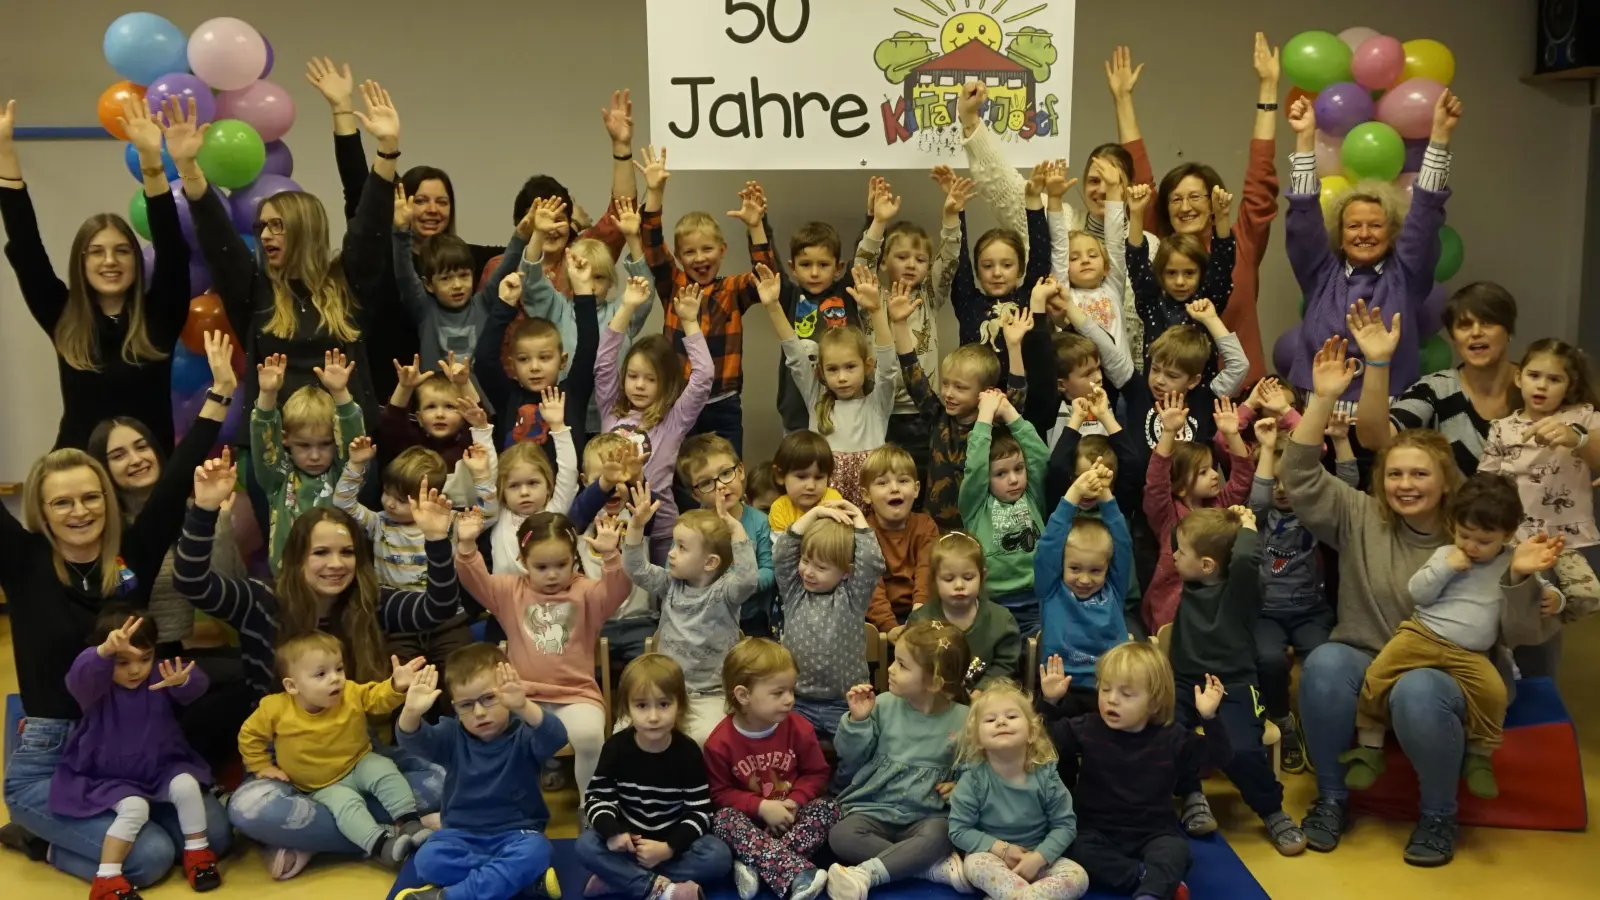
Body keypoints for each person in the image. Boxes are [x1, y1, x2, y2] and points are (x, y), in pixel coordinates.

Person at [1281, 336, 1552, 867]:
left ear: (1446, 480)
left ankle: (1438, 814)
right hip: (1368, 655)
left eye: (1419, 473)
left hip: (1452, 673)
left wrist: (1525, 586)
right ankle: (1333, 799)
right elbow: (1301, 477)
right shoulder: (1360, 516)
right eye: (1395, 474)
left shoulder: (1481, 535)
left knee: (1418, 689)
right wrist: (1321, 398)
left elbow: (1523, 634)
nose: (1406, 485)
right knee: (1325, 664)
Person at [174, 453, 460, 878]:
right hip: (288, 763)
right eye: (321, 552)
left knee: (440, 782)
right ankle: (390, 835)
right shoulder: (260, 600)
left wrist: (436, 540)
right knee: (248, 810)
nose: (335, 563)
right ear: (296, 557)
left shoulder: (368, 603)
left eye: (346, 552)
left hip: (357, 752)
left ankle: (313, 837)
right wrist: (204, 510)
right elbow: (192, 582)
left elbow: (437, 608)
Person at [3, 441, 233, 890]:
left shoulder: (131, 553)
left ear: (108, 499)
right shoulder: (22, 560)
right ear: (43, 512)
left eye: (91, 497)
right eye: (62, 502)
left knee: (216, 836)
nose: (79, 511)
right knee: (147, 859)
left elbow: (170, 490)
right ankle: (36, 838)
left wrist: (221, 393)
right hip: (53, 759)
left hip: (131, 754)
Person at [174, 85, 394, 421]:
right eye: (262, 227)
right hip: (275, 450)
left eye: (277, 225)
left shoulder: (346, 283)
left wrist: (387, 149)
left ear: (305, 229)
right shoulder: (256, 291)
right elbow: (219, 241)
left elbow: (370, 227)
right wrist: (188, 165)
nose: (265, 235)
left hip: (351, 448)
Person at [1342, 473, 1556, 803]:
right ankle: (1370, 747)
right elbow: (1418, 593)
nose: (1471, 546)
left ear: (1508, 534)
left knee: (1494, 693)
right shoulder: (1446, 554)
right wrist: (1446, 568)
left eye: (1483, 541)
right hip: (1422, 634)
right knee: (1378, 675)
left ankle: (1479, 757)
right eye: (1464, 535)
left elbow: (1541, 593)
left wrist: (1555, 598)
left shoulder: (1515, 563)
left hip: (1471, 652)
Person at [0, 96, 188, 453]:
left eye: (121, 251)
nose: (109, 262)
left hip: (150, 477)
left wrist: (151, 161)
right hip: (79, 478)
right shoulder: (63, 316)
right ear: (81, 263)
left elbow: (173, 249)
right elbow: (27, 251)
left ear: (136, 260)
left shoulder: (160, 313)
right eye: (97, 252)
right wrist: (5, 155)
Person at [1111, 36, 1284, 380]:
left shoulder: (1240, 242)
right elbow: (1140, 178)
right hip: (1171, 393)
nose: (1185, 206)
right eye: (1176, 198)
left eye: (1195, 197)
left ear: (1213, 200)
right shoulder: (1161, 248)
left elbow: (1260, 180)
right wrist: (1123, 100)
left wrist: (1268, 88)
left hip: (1243, 393)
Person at [1281, 89, 1463, 399]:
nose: (1364, 233)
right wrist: (1305, 138)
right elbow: (1302, 215)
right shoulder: (1321, 273)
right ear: (1340, 233)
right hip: (1316, 409)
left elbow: (1425, 213)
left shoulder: (1406, 275)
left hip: (1388, 411)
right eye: (1353, 226)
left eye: (1375, 225)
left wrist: (1440, 136)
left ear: (1391, 232)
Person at [454, 506, 631, 800]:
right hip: (521, 696)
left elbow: (618, 590)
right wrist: (467, 545)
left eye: (562, 565)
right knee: (495, 734)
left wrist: (611, 556)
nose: (552, 575)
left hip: (576, 694)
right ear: (523, 561)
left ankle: (592, 808)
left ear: (574, 559)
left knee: (589, 738)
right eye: (541, 567)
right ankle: (508, 805)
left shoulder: (587, 592)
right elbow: (475, 580)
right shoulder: (509, 592)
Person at [86, 330, 245, 654]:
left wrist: (219, 522)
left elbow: (229, 592)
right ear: (102, 470)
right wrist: (222, 391)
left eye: (141, 446)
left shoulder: (194, 509)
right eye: (118, 455)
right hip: (123, 656)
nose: (135, 459)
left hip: (175, 652)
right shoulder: (106, 528)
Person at [1036, 644, 1230, 900]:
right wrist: (1050, 702)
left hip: (1154, 831)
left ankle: (1149, 893)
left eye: (1126, 694)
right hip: (1096, 830)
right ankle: (1144, 877)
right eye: (1105, 689)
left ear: (1154, 702)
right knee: (1071, 846)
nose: (1112, 699)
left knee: (1175, 851)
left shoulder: (1172, 737)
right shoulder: (1089, 726)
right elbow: (1038, 742)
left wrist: (1210, 718)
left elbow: (1220, 757)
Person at [1166, 507, 1306, 854]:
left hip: (1234, 685)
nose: (1173, 555)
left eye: (1181, 552)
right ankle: (1192, 793)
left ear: (1208, 565)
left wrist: (1247, 526)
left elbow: (1244, 561)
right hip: (1185, 683)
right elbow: (1198, 541)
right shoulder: (1191, 580)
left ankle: (1271, 811)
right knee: (1169, 733)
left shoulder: (1242, 593)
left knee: (1242, 749)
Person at [52, 613, 219, 900]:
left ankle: (198, 853)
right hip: (109, 777)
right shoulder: (96, 685)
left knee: (187, 785)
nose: (136, 670)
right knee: (135, 808)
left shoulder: (159, 675)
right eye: (123, 662)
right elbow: (77, 679)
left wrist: (182, 682)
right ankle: (107, 878)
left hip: (160, 768)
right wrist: (102, 653)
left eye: (145, 658)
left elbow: (195, 685)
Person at [238, 633, 433, 868]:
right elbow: (250, 735)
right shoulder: (274, 708)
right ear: (292, 686)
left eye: (339, 669)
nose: (336, 679)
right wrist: (261, 766)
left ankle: (410, 822)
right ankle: (382, 846)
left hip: (359, 761)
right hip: (322, 786)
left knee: (384, 769)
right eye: (321, 674)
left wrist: (395, 685)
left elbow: (377, 699)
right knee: (347, 806)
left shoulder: (349, 692)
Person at [394, 647, 571, 900]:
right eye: (466, 705)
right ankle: (523, 882)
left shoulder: (524, 733)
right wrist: (411, 712)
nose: (479, 712)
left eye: (489, 698)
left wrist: (524, 706)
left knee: (537, 850)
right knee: (427, 860)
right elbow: (412, 740)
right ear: (455, 707)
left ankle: (450, 896)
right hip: (460, 836)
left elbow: (556, 737)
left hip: (516, 835)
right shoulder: (450, 735)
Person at [636, 146, 776, 454]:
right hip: (679, 401)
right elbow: (652, 245)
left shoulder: (732, 289)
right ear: (680, 256)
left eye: (707, 249)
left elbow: (766, 277)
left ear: (723, 250)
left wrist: (756, 227)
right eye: (689, 252)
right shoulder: (673, 284)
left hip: (723, 402)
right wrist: (655, 192)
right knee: (682, 476)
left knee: (728, 471)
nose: (699, 258)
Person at [1474, 339, 1600, 663]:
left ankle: (1552, 628)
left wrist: (1578, 439)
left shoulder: (1583, 417)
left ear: (1569, 385)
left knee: (1573, 604)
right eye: (1534, 375)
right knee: (1520, 616)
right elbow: (1485, 481)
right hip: (1517, 540)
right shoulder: (1502, 429)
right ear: (1519, 378)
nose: (1542, 385)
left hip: (1568, 539)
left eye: (1554, 379)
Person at [825, 623, 973, 900]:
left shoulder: (966, 719)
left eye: (902, 665)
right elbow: (851, 756)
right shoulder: (882, 705)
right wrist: (858, 721)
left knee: (942, 834)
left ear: (934, 682)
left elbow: (975, 769)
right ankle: (925, 867)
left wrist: (961, 787)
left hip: (927, 815)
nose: (890, 668)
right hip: (875, 808)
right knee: (841, 835)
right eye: (894, 659)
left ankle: (868, 873)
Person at [577, 655, 734, 900]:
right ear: (627, 708)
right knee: (586, 845)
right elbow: (598, 799)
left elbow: (700, 812)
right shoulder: (616, 748)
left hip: (673, 846)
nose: (653, 717)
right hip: (629, 845)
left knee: (719, 856)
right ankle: (662, 889)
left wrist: (668, 848)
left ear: (679, 706)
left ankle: (621, 880)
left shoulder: (688, 752)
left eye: (663, 704)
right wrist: (614, 833)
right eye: (641, 706)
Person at [1249, 415, 1355, 773]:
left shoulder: (1313, 513)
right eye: (1275, 480)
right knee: (1269, 661)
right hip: (1265, 613)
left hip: (1311, 610)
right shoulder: (1259, 518)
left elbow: (1349, 493)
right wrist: (1266, 448)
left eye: (1289, 480)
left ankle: (1318, 727)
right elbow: (1260, 496)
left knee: (1324, 663)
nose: (1281, 488)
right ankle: (1282, 722)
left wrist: (1340, 441)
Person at [623, 483, 760, 745]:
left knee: (704, 739)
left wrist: (734, 528)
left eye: (682, 548)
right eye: (674, 545)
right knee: (630, 734)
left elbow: (748, 579)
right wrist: (637, 526)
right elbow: (635, 567)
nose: (671, 554)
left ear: (710, 562)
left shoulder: (724, 593)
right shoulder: (669, 584)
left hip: (712, 694)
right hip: (665, 689)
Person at [855, 172, 968, 483]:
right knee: (882, 482)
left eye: (920, 259)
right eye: (902, 256)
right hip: (878, 409)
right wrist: (877, 223)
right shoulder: (871, 295)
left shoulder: (930, 294)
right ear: (883, 262)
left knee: (921, 482)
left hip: (925, 411)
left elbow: (949, 259)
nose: (911, 264)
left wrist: (950, 217)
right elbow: (862, 261)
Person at [704, 639, 836, 900]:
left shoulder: (799, 728)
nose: (790, 700)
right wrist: (761, 808)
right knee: (722, 821)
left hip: (790, 817)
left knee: (829, 808)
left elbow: (816, 773)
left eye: (791, 690)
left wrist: (793, 803)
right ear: (743, 695)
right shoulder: (719, 742)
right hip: (750, 825)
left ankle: (757, 865)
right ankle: (797, 873)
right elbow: (719, 795)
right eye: (778, 693)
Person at [757, 264, 898, 506]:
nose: (842, 377)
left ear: (867, 366)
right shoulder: (817, 400)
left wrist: (876, 310)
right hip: (825, 508)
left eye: (850, 367)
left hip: (872, 506)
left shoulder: (876, 404)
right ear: (821, 372)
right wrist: (773, 307)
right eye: (833, 369)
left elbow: (889, 368)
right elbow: (794, 354)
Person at [1352, 285, 1519, 477]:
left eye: (1487, 323)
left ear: (1509, 331)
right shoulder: (1434, 390)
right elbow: (1374, 439)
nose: (1475, 332)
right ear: (1454, 339)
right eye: (1464, 325)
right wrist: (1377, 360)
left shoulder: (1540, 383)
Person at [597, 282, 712, 558]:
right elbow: (603, 363)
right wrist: (626, 307)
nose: (639, 385)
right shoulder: (611, 408)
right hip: (609, 522)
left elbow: (704, 376)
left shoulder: (673, 420)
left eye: (650, 379)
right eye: (633, 376)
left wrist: (689, 322)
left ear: (666, 384)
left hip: (659, 530)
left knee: (658, 598)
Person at [949, 682, 1088, 900]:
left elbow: (1065, 825)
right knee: (974, 864)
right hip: (994, 859)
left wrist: (1039, 858)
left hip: (1039, 858)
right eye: (990, 720)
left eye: (1012, 717)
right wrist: (1002, 849)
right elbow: (959, 830)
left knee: (1078, 876)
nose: (1001, 722)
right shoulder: (973, 780)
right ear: (977, 740)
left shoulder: (1046, 776)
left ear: (1032, 733)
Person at [775, 500, 886, 741]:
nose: (808, 572)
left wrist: (859, 519)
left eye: (821, 567)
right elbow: (783, 553)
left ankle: (848, 781)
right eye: (805, 560)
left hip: (846, 702)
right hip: (797, 702)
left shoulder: (853, 597)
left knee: (858, 752)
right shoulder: (795, 592)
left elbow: (872, 563)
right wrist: (813, 513)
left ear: (847, 571)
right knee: (790, 753)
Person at [1142, 395, 1255, 631]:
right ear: (1181, 486)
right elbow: (1156, 482)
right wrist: (1168, 433)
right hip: (1172, 614)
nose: (1215, 475)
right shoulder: (1167, 514)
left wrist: (1233, 435)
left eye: (1212, 468)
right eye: (1203, 472)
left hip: (1213, 613)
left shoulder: (1218, 507)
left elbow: (1243, 478)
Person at [251, 349, 368, 570]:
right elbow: (263, 443)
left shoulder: (343, 476)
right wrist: (267, 395)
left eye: (325, 444)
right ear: (285, 439)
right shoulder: (278, 478)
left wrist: (340, 392)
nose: (315, 456)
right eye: (304, 445)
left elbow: (355, 442)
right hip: (289, 581)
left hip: (337, 575)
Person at [1036, 459, 1132, 718]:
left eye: (1096, 570)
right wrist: (1075, 493)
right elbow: (1049, 545)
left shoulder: (1113, 589)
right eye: (1075, 569)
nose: (1085, 580)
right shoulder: (1051, 589)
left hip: (1110, 689)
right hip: (1061, 690)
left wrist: (1104, 493)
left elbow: (1122, 542)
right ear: (1061, 565)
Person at [960, 388, 1050, 636]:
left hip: (1036, 603)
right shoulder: (976, 504)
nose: (1013, 479)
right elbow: (975, 466)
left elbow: (1040, 457)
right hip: (992, 605)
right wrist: (985, 415)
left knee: (1038, 655)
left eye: (1018, 469)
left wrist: (1009, 412)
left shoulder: (1032, 495)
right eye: (1001, 473)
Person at [679, 434, 777, 638]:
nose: (721, 485)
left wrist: (740, 584)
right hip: (704, 617)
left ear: (740, 471)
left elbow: (769, 569)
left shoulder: (760, 522)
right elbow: (673, 570)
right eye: (707, 483)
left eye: (725, 473)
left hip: (750, 618)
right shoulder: (688, 526)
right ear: (696, 494)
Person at [373, 354, 498, 510]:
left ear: (464, 414)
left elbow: (480, 420)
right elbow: (391, 426)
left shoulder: (467, 446)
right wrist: (404, 388)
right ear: (418, 417)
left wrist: (464, 383)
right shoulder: (412, 447)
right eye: (431, 407)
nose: (440, 414)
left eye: (450, 407)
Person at [907, 533, 1021, 691]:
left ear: (982, 576)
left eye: (968, 578)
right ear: (934, 580)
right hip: (933, 703)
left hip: (984, 705)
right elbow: (911, 667)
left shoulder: (1001, 621)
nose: (959, 585)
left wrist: (982, 690)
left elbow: (1005, 666)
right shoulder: (921, 621)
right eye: (948, 579)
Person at [860, 445, 937, 634]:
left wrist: (919, 615)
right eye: (882, 483)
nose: (894, 489)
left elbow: (927, 572)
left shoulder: (926, 526)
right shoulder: (863, 532)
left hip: (921, 611)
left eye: (903, 481)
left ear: (916, 489)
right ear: (866, 495)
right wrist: (890, 628)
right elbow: (870, 585)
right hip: (876, 620)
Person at [766, 431, 845, 538]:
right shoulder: (779, 509)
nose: (811, 486)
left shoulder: (833, 500)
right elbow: (782, 551)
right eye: (801, 477)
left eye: (819, 477)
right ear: (780, 475)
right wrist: (814, 514)